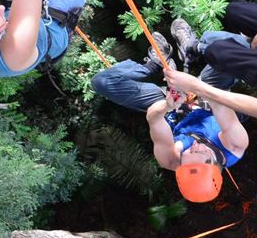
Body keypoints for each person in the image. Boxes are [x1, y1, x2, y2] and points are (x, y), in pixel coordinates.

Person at [90, 32, 248, 203]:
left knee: (102, 81)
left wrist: (168, 105)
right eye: (200, 151)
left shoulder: (170, 160)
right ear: (214, 164)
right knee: (240, 46)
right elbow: (219, 101)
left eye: (189, 152)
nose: (195, 146)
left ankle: (152, 64)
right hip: (211, 99)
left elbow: (153, 118)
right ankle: (193, 48)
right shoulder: (235, 144)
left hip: (174, 108)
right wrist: (193, 87)